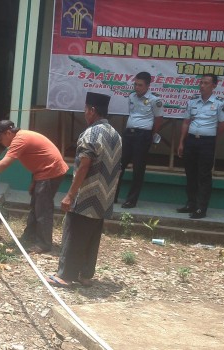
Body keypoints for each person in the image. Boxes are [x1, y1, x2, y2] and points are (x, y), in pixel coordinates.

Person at [46, 92, 121, 288]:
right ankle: (85, 274)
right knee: (92, 236)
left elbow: (84, 166)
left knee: (74, 233)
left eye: (86, 109)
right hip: (105, 196)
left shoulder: (90, 133)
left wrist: (70, 195)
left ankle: (66, 275)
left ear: (92, 110)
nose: (84, 113)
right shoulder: (116, 134)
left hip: (87, 194)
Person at [0, 120, 69, 254]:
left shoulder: (20, 139)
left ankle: (44, 244)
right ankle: (29, 236)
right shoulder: (21, 137)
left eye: (0, 138)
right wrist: (35, 180)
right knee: (35, 206)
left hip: (50, 171)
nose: (0, 141)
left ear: (8, 133)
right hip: (43, 172)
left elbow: (5, 163)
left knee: (42, 209)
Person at [177, 74, 224, 219]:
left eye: (206, 83)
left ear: (214, 86)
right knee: (190, 173)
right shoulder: (193, 101)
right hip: (191, 140)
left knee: (204, 175)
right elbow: (186, 122)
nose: (202, 85)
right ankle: (191, 204)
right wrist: (182, 142)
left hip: (207, 142)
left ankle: (201, 208)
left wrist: (212, 137)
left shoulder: (220, 103)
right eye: (201, 82)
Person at [116, 71, 164, 208]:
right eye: (135, 84)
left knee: (138, 168)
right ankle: (113, 195)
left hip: (143, 135)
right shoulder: (131, 96)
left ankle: (131, 200)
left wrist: (151, 135)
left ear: (148, 85)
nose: (137, 87)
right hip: (128, 134)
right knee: (119, 165)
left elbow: (159, 120)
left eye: (140, 85)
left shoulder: (155, 100)